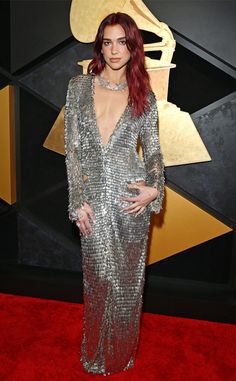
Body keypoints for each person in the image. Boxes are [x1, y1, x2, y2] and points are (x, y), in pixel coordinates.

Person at [64, 12, 165, 376]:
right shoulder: (79, 87)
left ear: (133, 46)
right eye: (107, 42)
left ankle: (121, 354)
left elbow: (153, 153)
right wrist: (76, 200)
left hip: (130, 203)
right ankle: (93, 352)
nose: (114, 50)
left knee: (127, 283)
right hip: (92, 200)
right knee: (98, 278)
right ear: (100, 46)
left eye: (122, 41)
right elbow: (72, 148)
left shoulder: (144, 96)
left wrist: (155, 187)